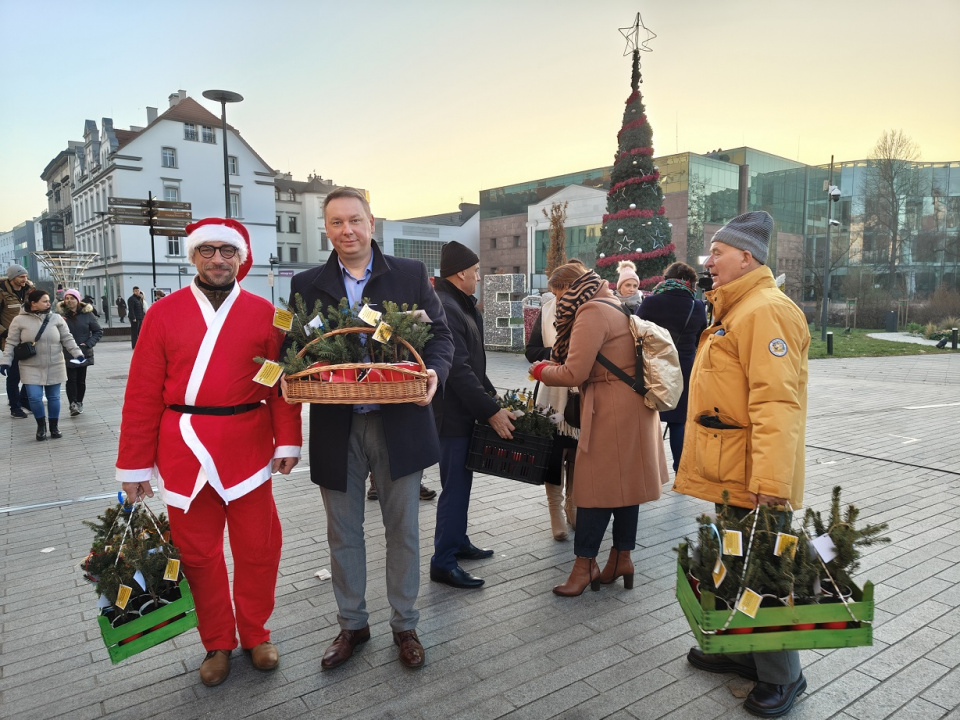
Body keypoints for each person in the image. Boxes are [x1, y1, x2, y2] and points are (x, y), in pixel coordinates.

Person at [115, 217, 302, 687]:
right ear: (193, 256)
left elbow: (281, 386)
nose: (218, 259)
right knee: (197, 555)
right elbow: (141, 393)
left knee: (259, 548)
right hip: (184, 450)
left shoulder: (270, 315)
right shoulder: (161, 314)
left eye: (227, 251)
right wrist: (134, 465)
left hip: (248, 446)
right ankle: (216, 641)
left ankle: (256, 634)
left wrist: (288, 440)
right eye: (207, 251)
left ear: (241, 258)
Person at [287, 187, 453, 671]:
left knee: (403, 531)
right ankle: (352, 625)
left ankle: (405, 625)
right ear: (327, 229)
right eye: (336, 222)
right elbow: (293, 346)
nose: (347, 230)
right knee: (343, 533)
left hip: (398, 422)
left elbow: (440, 337)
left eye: (354, 220)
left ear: (372, 223)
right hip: (336, 426)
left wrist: (434, 374)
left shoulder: (409, 274)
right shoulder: (308, 282)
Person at [675, 211, 810, 718]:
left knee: (766, 573)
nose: (709, 261)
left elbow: (777, 405)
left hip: (756, 480)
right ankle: (748, 656)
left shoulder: (765, 311)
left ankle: (784, 677)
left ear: (747, 257)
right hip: (733, 473)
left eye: (718, 253)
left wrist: (770, 484)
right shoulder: (737, 306)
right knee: (734, 564)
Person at [530, 262, 669, 596]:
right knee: (626, 488)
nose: (558, 302)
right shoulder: (610, 301)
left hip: (611, 408)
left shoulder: (590, 311)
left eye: (558, 294)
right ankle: (622, 557)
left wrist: (540, 370)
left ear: (568, 288)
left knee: (593, 490)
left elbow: (574, 373)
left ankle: (585, 566)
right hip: (630, 405)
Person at [430, 241, 514, 589]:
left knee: (462, 485)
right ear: (461, 272)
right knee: (454, 488)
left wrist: (492, 394)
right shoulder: (448, 307)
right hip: (452, 416)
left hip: (464, 412)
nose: (479, 277)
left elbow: (474, 365)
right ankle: (443, 561)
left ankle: (458, 542)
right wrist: (491, 410)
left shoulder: (460, 304)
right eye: (477, 271)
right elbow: (459, 370)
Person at [637, 262, 708, 472]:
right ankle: (680, 470)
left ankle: (648, 470)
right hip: (684, 369)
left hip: (653, 367)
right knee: (679, 422)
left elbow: (635, 331)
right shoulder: (697, 306)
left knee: (649, 419)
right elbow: (700, 338)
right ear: (690, 282)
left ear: (666, 279)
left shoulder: (651, 302)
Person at [525, 286, 580, 540]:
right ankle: (555, 512)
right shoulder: (547, 310)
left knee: (579, 454)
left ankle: (573, 504)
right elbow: (531, 350)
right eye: (557, 292)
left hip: (582, 393)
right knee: (554, 454)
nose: (561, 297)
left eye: (565, 290)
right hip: (551, 391)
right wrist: (555, 355)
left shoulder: (591, 310)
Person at [0, 289, 85, 440]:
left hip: (54, 363)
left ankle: (54, 427)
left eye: (48, 300)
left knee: (54, 398)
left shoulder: (56, 318)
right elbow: (11, 342)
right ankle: (41, 425)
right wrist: (5, 362)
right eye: (44, 301)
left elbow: (67, 338)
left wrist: (78, 354)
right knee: (34, 397)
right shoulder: (19, 320)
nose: (48, 303)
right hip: (29, 365)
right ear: (33, 303)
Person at [59, 289, 103, 416]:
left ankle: (79, 402)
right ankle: (72, 404)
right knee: (70, 379)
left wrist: (88, 343)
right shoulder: (60, 316)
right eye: (67, 298)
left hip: (83, 352)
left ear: (78, 300)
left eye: (72, 298)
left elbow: (98, 331)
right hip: (67, 352)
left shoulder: (87, 314)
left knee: (80, 380)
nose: (69, 301)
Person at [0, 264, 32, 418]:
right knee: (14, 374)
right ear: (13, 278)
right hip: (9, 340)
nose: (25, 279)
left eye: (26, 276)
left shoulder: (29, 290)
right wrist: (5, 333)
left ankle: (25, 400)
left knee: (31, 370)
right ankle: (15, 406)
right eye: (21, 277)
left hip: (28, 338)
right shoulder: (2, 293)